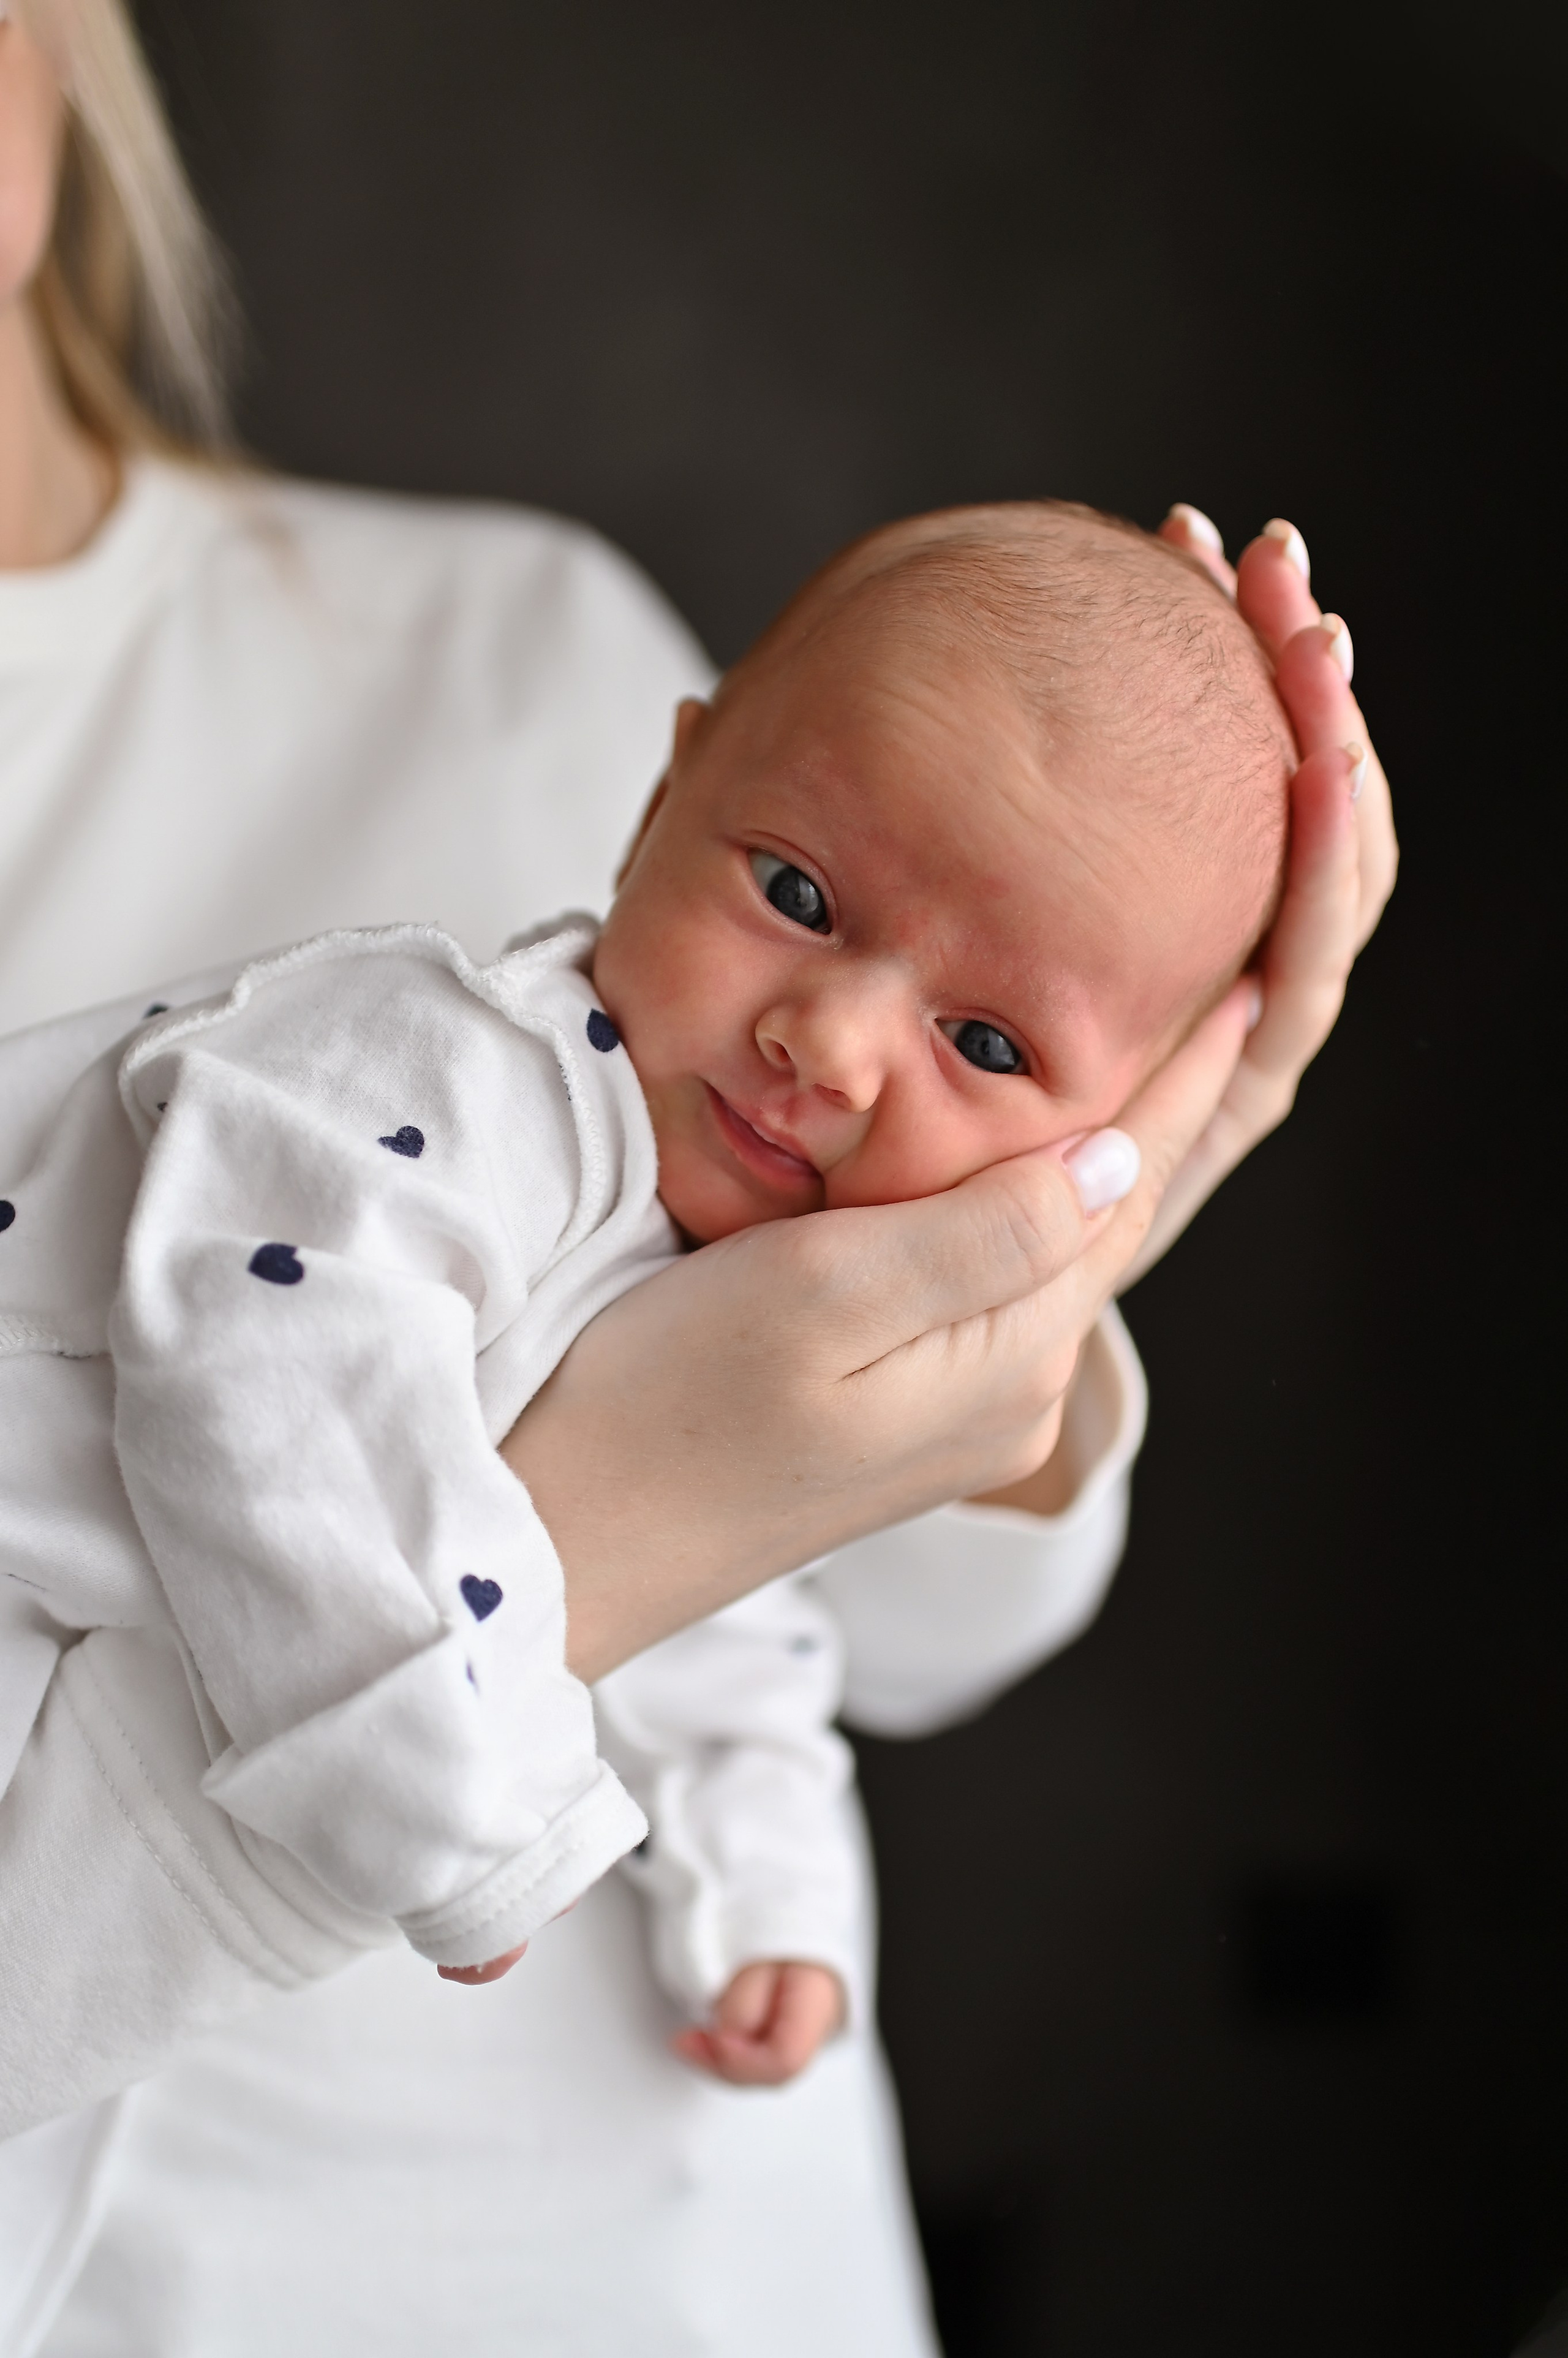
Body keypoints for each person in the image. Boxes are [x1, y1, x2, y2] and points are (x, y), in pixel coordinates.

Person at [0, 2, 1396, 2352]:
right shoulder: (434, 1056)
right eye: (797, 904)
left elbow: (873, 1632)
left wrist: (770, 1886)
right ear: (671, 810)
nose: (831, 1042)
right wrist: (584, 1583)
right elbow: (318, 1332)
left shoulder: (523, 650)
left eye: (977, 1035)